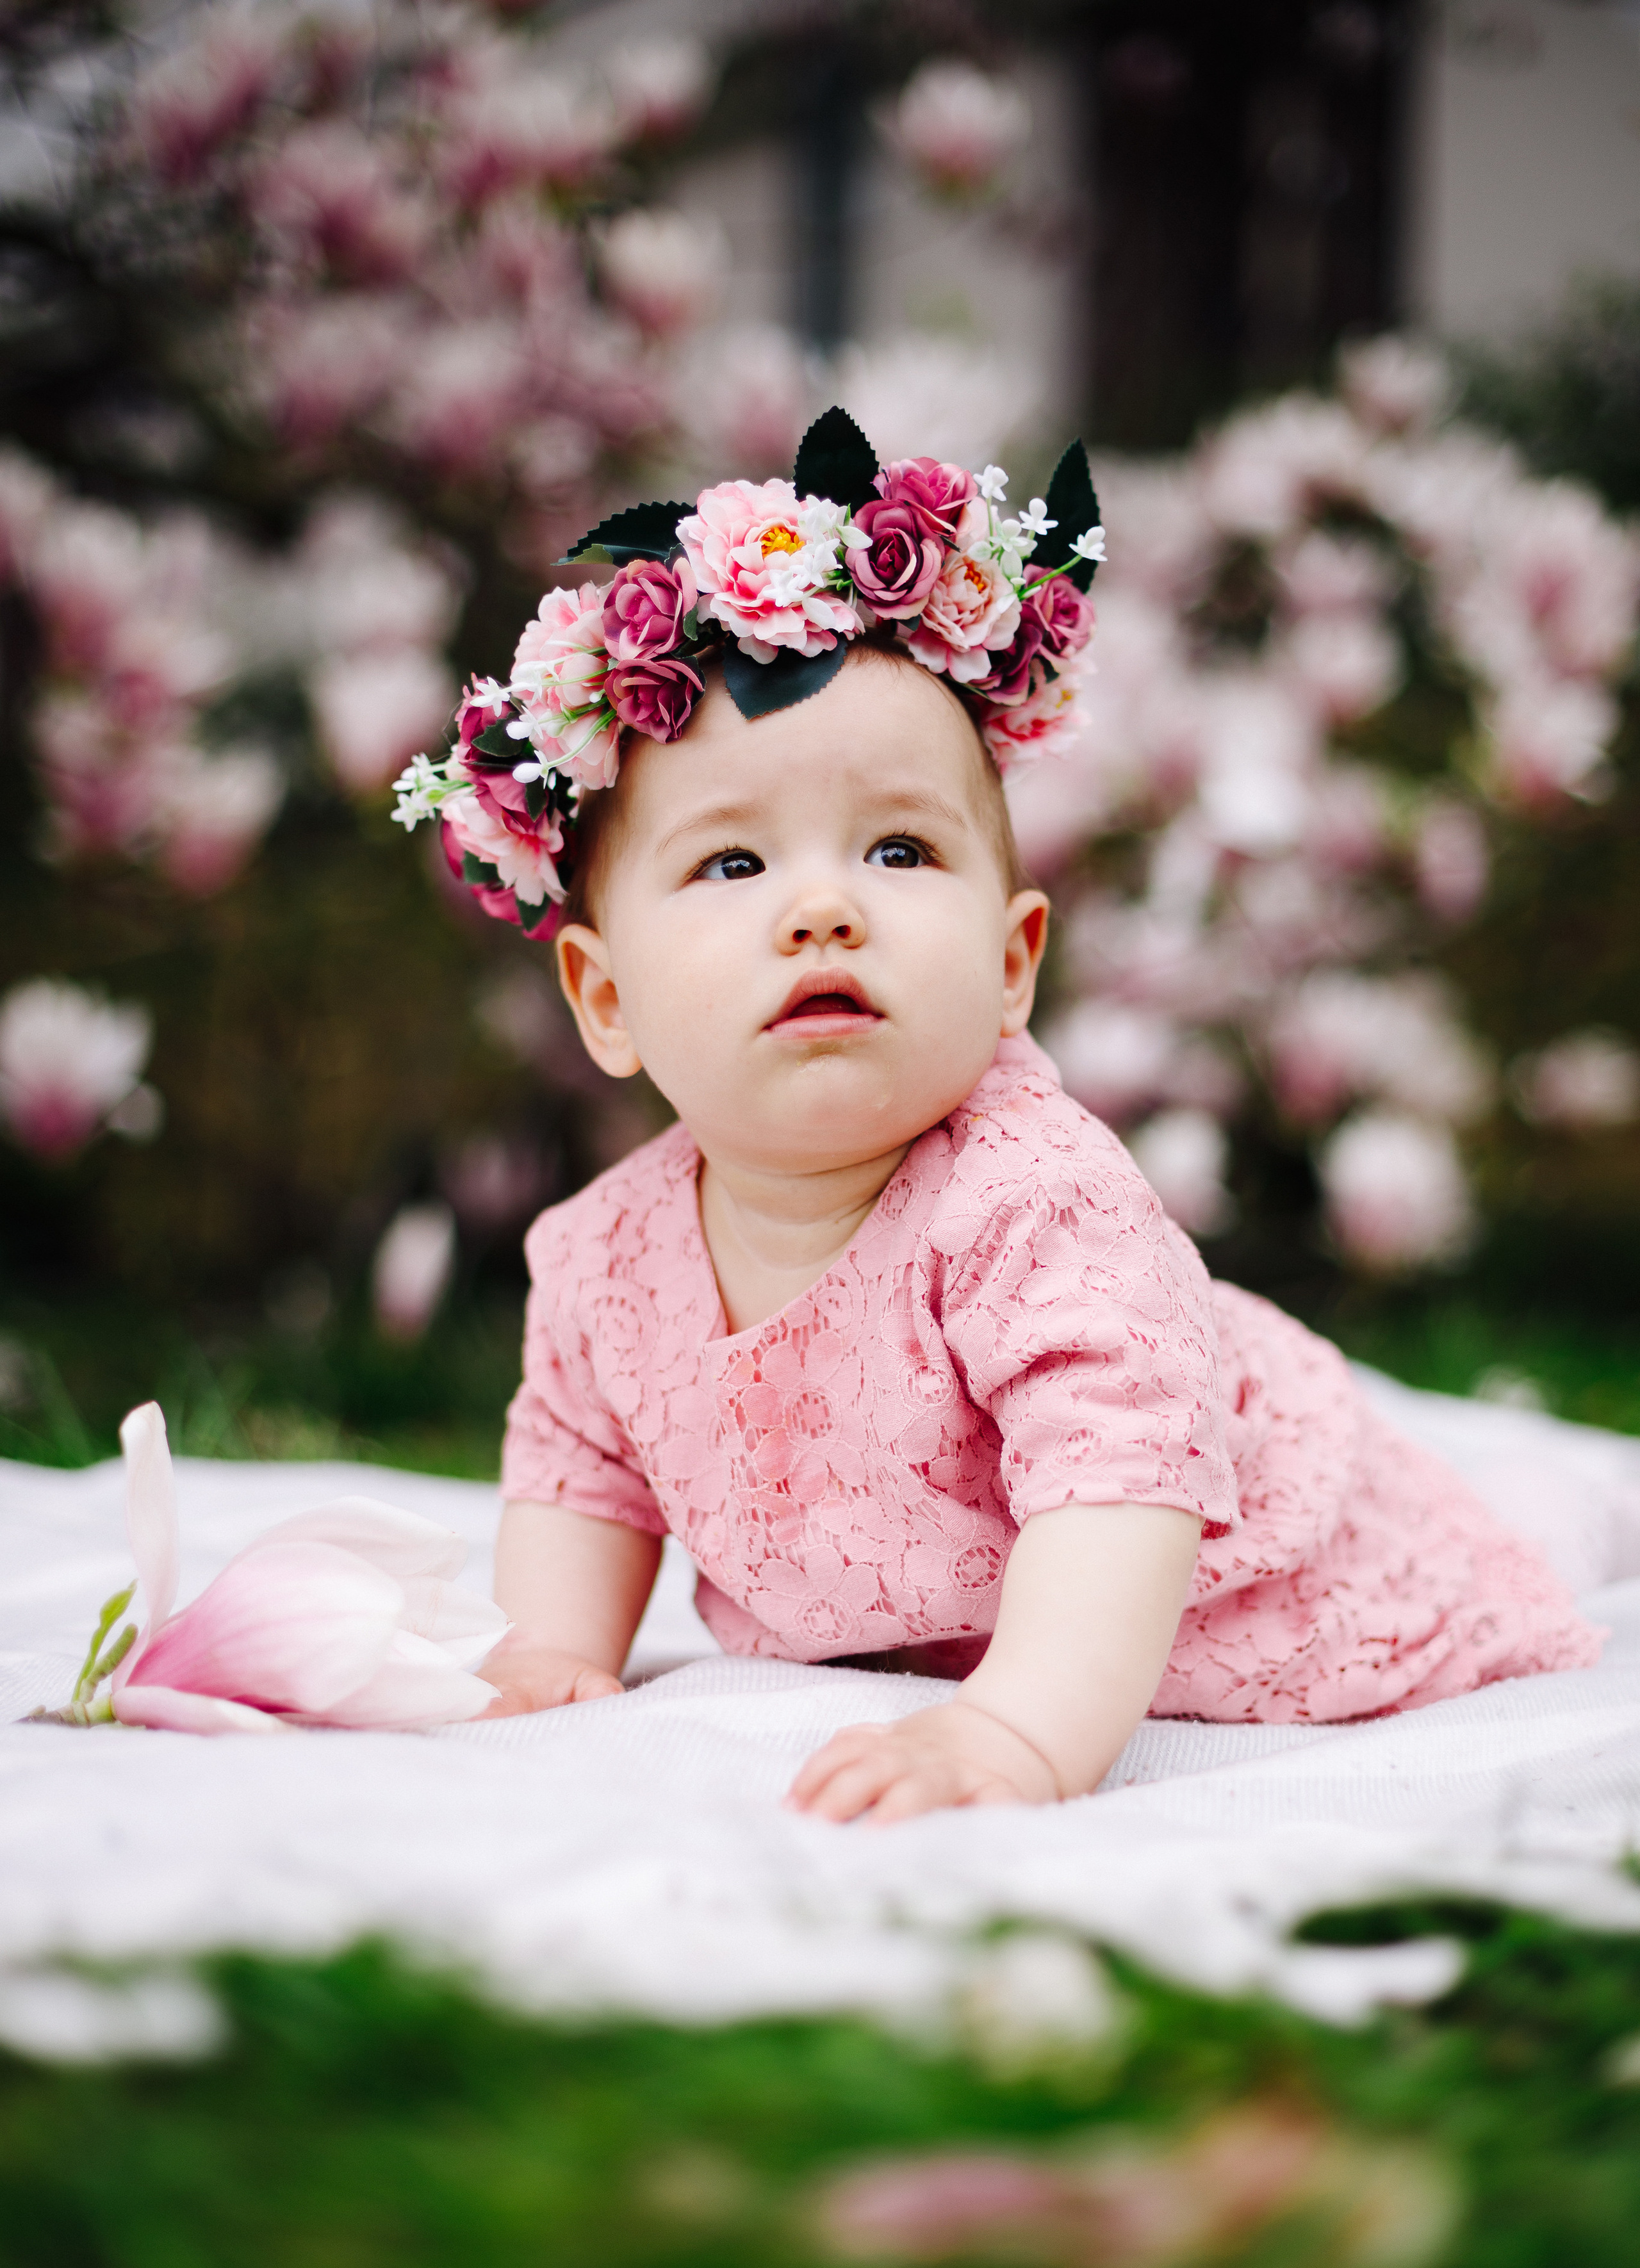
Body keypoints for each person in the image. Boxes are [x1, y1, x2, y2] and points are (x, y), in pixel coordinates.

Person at [391, 418, 1598, 1824]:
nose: (823, 907)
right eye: (732, 862)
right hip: (944, 1626)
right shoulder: (603, 1257)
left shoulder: (1033, 1201)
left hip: (1245, 1589)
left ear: (1013, 962)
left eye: (899, 849)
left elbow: (1120, 1486)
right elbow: (579, 1471)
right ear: (607, 1001)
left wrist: (1017, 1736)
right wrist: (548, 1651)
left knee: (1530, 1538)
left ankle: (1568, 1504)